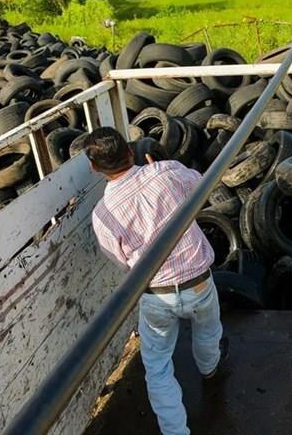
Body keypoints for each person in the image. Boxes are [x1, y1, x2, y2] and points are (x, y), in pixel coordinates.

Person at [84, 127, 226, 435]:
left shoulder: (103, 213)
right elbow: (200, 187)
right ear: (129, 152)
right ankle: (210, 369)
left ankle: (176, 432)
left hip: (155, 294)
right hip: (198, 281)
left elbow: (121, 261)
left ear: (93, 167)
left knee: (158, 367)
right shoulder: (166, 171)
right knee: (208, 331)